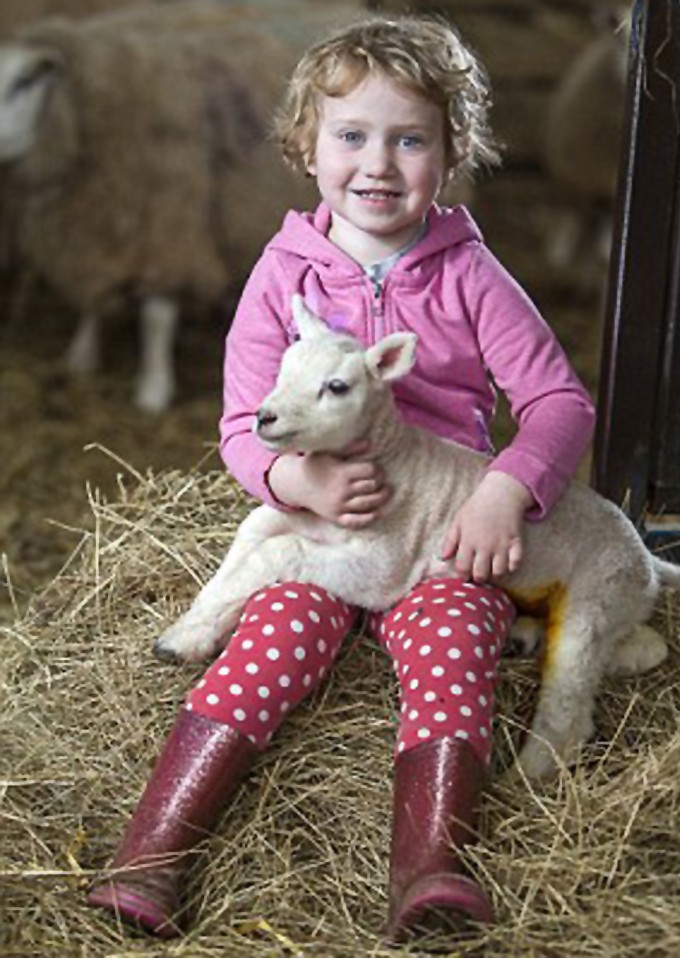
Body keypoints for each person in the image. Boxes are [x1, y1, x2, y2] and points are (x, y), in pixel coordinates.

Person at [87, 14, 596, 942]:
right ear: (306, 147)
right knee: (268, 636)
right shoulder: (282, 274)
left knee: (458, 648)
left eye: (410, 140)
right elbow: (242, 424)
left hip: (440, 533)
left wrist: (503, 490)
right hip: (329, 530)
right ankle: (152, 857)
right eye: (351, 135)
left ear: (450, 155)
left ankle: (430, 868)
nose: (379, 162)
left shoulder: (471, 275)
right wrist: (293, 485)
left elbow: (560, 403)